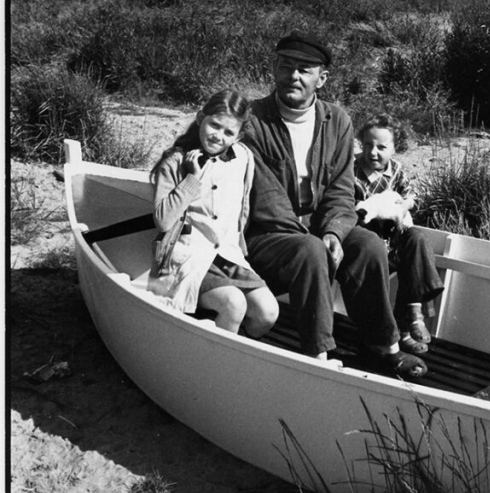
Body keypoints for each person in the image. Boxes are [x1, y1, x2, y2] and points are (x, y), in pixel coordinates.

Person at [242, 31, 427, 379]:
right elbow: (265, 200)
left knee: (368, 244)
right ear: (274, 70)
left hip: (317, 227)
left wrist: (334, 232)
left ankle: (383, 347)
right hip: (266, 234)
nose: (293, 76)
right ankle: (318, 356)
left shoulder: (337, 121)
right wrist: (316, 238)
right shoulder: (252, 120)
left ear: (321, 79)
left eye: (304, 69)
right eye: (285, 66)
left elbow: (341, 191)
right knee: (311, 250)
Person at [149, 88, 279, 338]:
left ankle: (228, 340)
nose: (218, 136)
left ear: (239, 136)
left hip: (227, 256)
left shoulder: (243, 158)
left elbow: (242, 210)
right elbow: (163, 221)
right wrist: (191, 180)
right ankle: (218, 362)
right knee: (234, 303)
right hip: (186, 257)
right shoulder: (175, 162)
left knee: (267, 312)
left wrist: (241, 249)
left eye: (229, 132)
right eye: (214, 125)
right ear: (200, 118)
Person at [353, 116, 444, 355]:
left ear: (394, 149)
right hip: (366, 246)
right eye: (368, 145)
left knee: (417, 239)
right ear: (360, 143)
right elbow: (350, 208)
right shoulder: (351, 171)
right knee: (379, 261)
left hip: (393, 241)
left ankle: (412, 317)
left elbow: (412, 196)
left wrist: (404, 206)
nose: (373, 152)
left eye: (382, 147)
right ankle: (390, 335)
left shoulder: (397, 170)